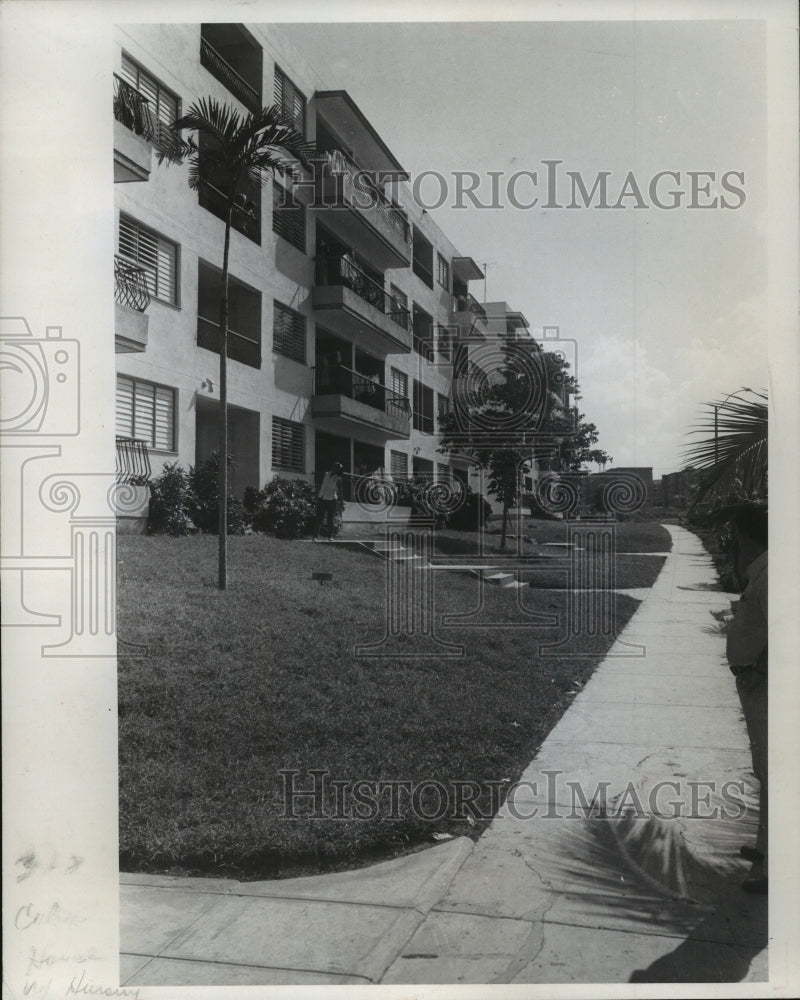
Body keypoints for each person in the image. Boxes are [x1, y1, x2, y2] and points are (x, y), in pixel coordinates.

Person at [725, 505, 768, 894]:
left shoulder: (770, 575)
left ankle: (770, 866)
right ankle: (765, 848)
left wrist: (760, 672)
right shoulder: (763, 572)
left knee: (774, 774)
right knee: (766, 772)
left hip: (767, 687)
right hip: (758, 683)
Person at [314, 462, 343, 540]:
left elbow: (340, 492)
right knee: (319, 518)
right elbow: (321, 484)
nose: (334, 469)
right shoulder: (326, 474)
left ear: (338, 470)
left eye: (337, 468)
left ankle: (330, 536)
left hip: (332, 500)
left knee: (330, 519)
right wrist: (317, 494)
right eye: (334, 466)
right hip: (322, 498)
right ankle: (315, 536)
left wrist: (342, 503)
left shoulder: (338, 478)